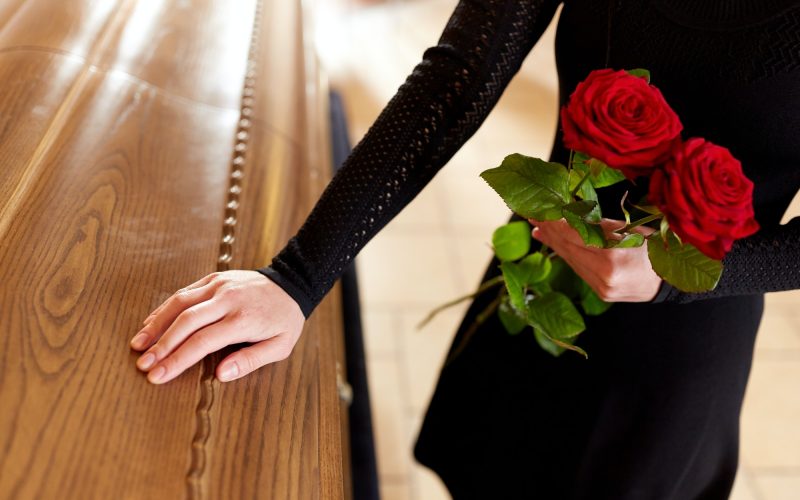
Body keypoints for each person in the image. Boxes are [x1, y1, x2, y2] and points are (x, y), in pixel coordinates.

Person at [128, 0, 800, 497]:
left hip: (678, 352)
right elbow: (459, 76)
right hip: (533, 280)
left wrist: (689, 274)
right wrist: (296, 278)